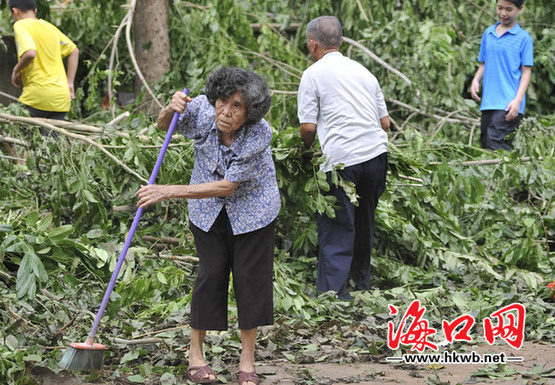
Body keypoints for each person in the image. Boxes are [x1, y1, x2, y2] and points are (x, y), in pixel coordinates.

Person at [136, 67, 280, 385]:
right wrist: (168, 108)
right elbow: (165, 127)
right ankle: (195, 356)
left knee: (249, 279)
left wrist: (167, 191)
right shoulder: (201, 107)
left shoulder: (259, 133)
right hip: (206, 211)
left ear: (250, 111)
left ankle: (247, 362)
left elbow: (227, 186)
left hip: (254, 211)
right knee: (211, 274)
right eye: (222, 102)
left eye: (236, 106)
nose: (225, 112)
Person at [297, 16, 390, 301]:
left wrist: (306, 151)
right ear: (339, 41)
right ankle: (360, 284)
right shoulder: (364, 72)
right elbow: (385, 123)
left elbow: (308, 127)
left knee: (338, 224)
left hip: (341, 162)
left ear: (313, 44)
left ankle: (334, 294)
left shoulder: (312, 74)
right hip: (376, 156)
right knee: (364, 221)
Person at [470, 0, 533, 151]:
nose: (503, 13)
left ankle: (511, 175)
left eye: (509, 9)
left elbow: (526, 71)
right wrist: (476, 79)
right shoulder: (488, 33)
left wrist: (517, 101)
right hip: (489, 102)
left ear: (520, 9)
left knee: (496, 144)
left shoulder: (524, 38)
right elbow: (484, 63)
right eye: (500, 8)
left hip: (508, 102)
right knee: (486, 144)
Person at [9, 0, 79, 122]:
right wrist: (70, 83)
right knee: (51, 139)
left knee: (17, 134)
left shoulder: (21, 25)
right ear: (35, 11)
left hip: (38, 97)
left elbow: (30, 53)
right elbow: (74, 51)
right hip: (61, 99)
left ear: (15, 11)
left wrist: (16, 70)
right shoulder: (50, 27)